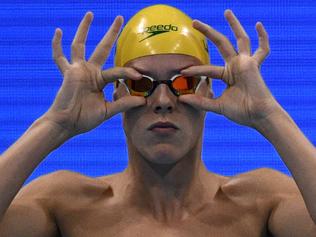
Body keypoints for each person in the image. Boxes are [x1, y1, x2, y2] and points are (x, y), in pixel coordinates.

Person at [0, 4, 315, 236]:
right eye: (141, 83)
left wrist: (269, 115)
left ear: (208, 89)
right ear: (117, 94)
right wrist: (57, 123)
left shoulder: (261, 202)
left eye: (183, 82)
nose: (163, 101)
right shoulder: (66, 205)